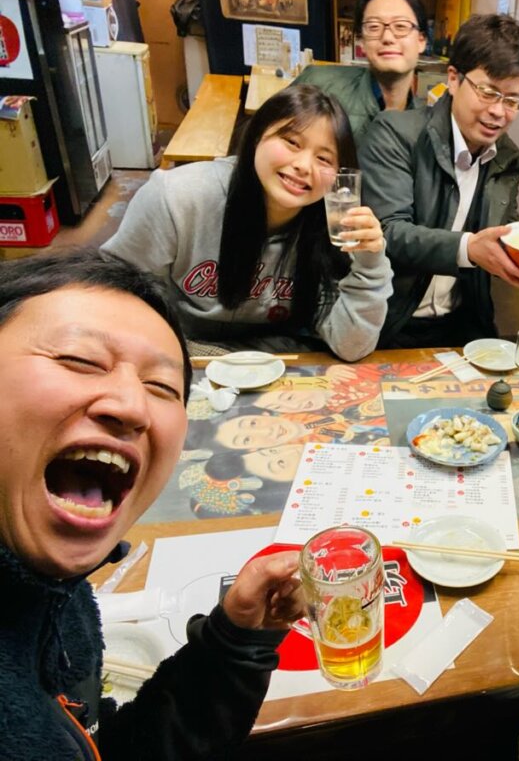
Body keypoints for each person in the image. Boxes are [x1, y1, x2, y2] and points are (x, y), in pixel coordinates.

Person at [0, 250, 304, 759]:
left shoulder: (56, 597)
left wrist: (232, 644)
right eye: (80, 360)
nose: (132, 406)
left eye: (161, 387)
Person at [102, 84, 392, 361]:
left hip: (279, 365)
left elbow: (350, 347)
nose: (304, 166)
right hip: (183, 354)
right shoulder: (177, 198)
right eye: (292, 142)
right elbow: (116, 299)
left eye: (324, 159)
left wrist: (370, 264)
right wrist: (191, 355)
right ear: (256, 137)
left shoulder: (333, 226)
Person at [360, 13, 519, 348]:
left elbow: (500, 233)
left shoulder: (504, 159)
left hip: (463, 326)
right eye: (488, 92)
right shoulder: (395, 135)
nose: (498, 111)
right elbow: (389, 232)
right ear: (454, 79)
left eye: (512, 100)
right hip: (389, 323)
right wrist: (468, 248)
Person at [294, 0, 428, 145]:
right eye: (374, 27)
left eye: (401, 26)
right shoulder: (318, 85)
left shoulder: (426, 127)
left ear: (421, 41)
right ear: (362, 42)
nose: (387, 38)